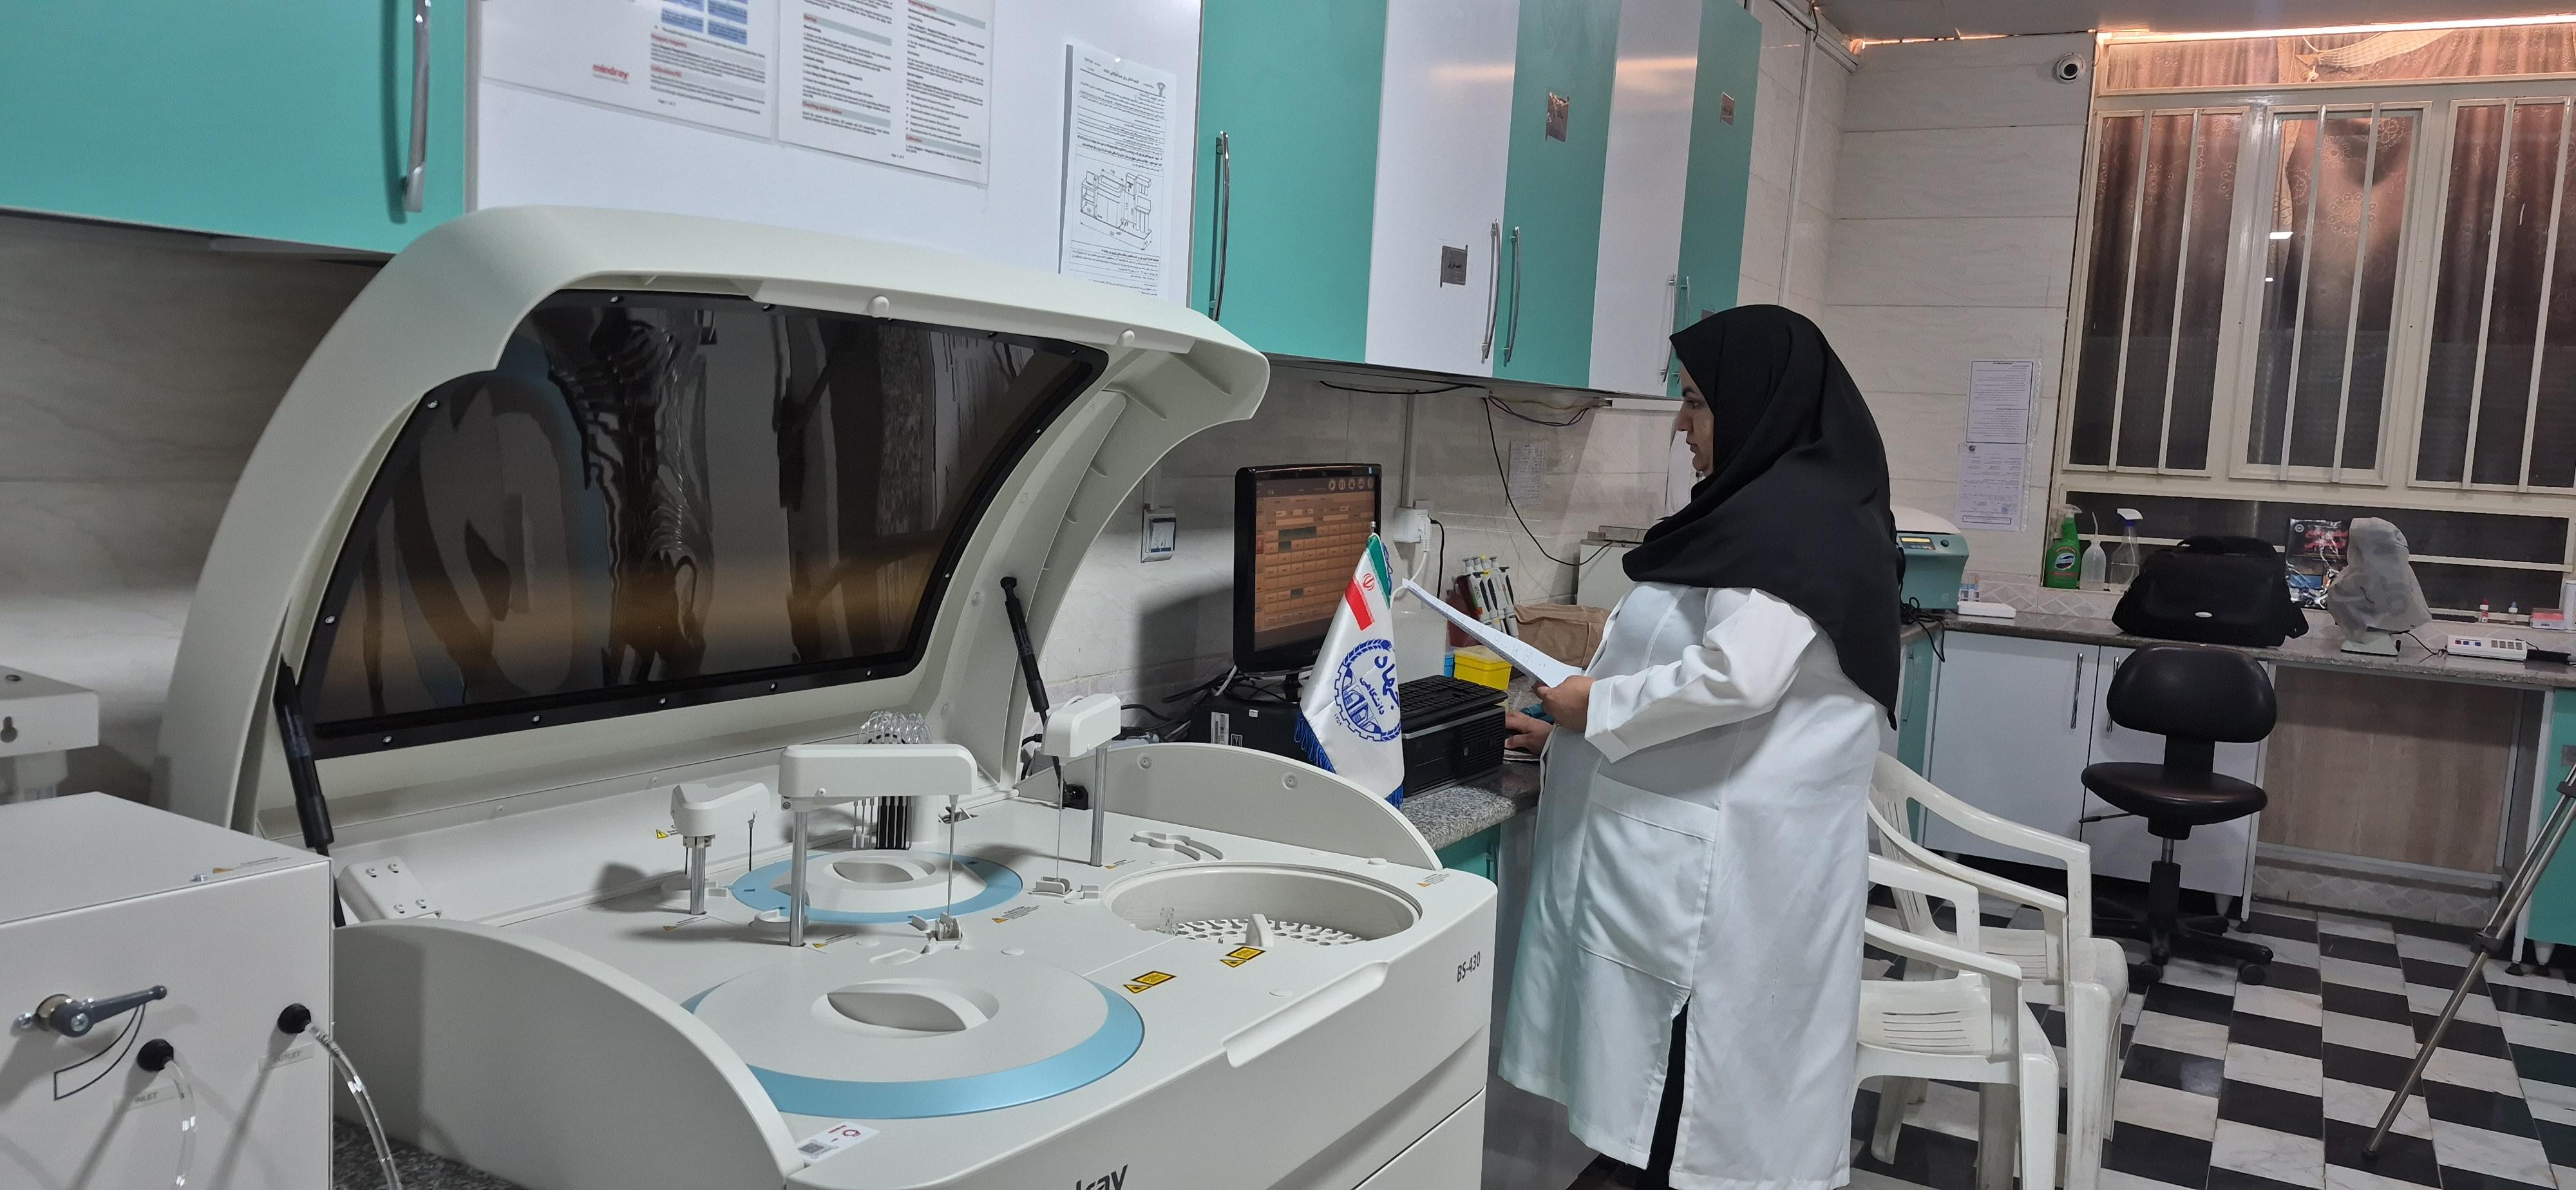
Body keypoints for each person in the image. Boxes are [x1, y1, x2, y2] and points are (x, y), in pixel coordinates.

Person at [1496, 305, 1900, 1190]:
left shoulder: (1785, 522)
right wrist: (1570, 729)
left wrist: (1596, 706)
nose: (1683, 427)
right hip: (1727, 858)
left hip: (1717, 882)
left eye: (1698, 402)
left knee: (1686, 1096)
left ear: (1759, 405)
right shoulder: (1796, 506)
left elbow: (1736, 678)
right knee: (1680, 1101)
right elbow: (1716, 683)